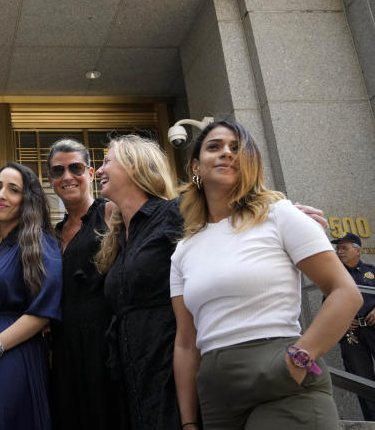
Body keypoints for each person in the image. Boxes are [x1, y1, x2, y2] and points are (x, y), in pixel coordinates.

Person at [171, 119, 360, 429]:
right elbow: (186, 342)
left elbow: (346, 292)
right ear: (195, 166)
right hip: (217, 396)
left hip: (281, 375)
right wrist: (189, 422)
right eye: (214, 146)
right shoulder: (183, 251)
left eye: (236, 148)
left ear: (249, 163)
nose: (227, 153)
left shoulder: (279, 215)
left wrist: (298, 359)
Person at [0, 162, 62, 430]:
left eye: (13, 189)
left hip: (12, 351)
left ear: (27, 200)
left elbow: (43, 311)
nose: (1, 195)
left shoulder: (40, 243)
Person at [93, 134, 181, 430]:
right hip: (133, 376)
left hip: (172, 371)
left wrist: (280, 215)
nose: (99, 170)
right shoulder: (118, 239)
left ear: (134, 166)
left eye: (106, 161)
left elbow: (231, 217)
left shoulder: (174, 213)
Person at [46, 139, 129, 430]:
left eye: (75, 168)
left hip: (105, 343)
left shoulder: (111, 214)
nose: (67, 176)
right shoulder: (51, 236)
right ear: (50, 180)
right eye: (57, 171)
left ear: (91, 173)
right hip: (64, 347)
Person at [333, 232, 375, 420]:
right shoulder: (334, 275)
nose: (339, 252)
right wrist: (341, 318)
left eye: (344, 248)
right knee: (363, 381)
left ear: (357, 250)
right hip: (352, 334)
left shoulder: (371, 270)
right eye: (338, 248)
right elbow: (328, 304)